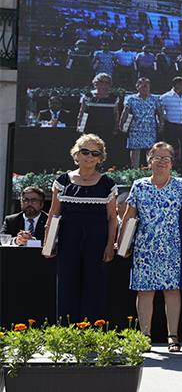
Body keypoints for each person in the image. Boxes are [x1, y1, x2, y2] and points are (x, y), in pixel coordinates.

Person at [119, 142, 182, 351]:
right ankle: (144, 336)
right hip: (144, 247)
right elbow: (129, 216)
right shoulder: (139, 185)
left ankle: (173, 336)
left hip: (172, 246)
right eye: (157, 157)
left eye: (166, 158)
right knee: (145, 290)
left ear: (172, 163)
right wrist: (123, 243)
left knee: (172, 290)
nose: (162, 162)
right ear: (149, 161)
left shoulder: (181, 185)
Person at [45, 134, 118, 323]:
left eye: (95, 153)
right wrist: (48, 243)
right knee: (67, 285)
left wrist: (110, 245)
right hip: (68, 242)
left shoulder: (107, 184)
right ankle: (66, 331)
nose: (89, 157)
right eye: (85, 151)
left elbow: (112, 218)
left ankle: (91, 331)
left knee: (94, 286)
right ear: (76, 154)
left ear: (100, 158)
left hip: (97, 244)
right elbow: (53, 213)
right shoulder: (62, 181)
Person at [120, 77, 164, 169]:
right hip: (135, 127)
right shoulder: (131, 99)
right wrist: (121, 123)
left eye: (147, 86)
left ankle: (150, 169)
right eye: (142, 86)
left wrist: (161, 124)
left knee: (150, 149)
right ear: (137, 87)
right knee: (135, 149)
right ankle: (134, 170)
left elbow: (160, 113)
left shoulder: (155, 99)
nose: (145, 88)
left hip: (150, 127)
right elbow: (125, 112)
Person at [77, 73, 120, 139]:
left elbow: (116, 115)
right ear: (95, 82)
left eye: (106, 82)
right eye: (101, 81)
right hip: (90, 129)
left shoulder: (114, 98)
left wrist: (115, 128)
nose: (103, 84)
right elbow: (82, 113)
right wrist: (80, 126)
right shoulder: (88, 96)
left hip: (107, 129)